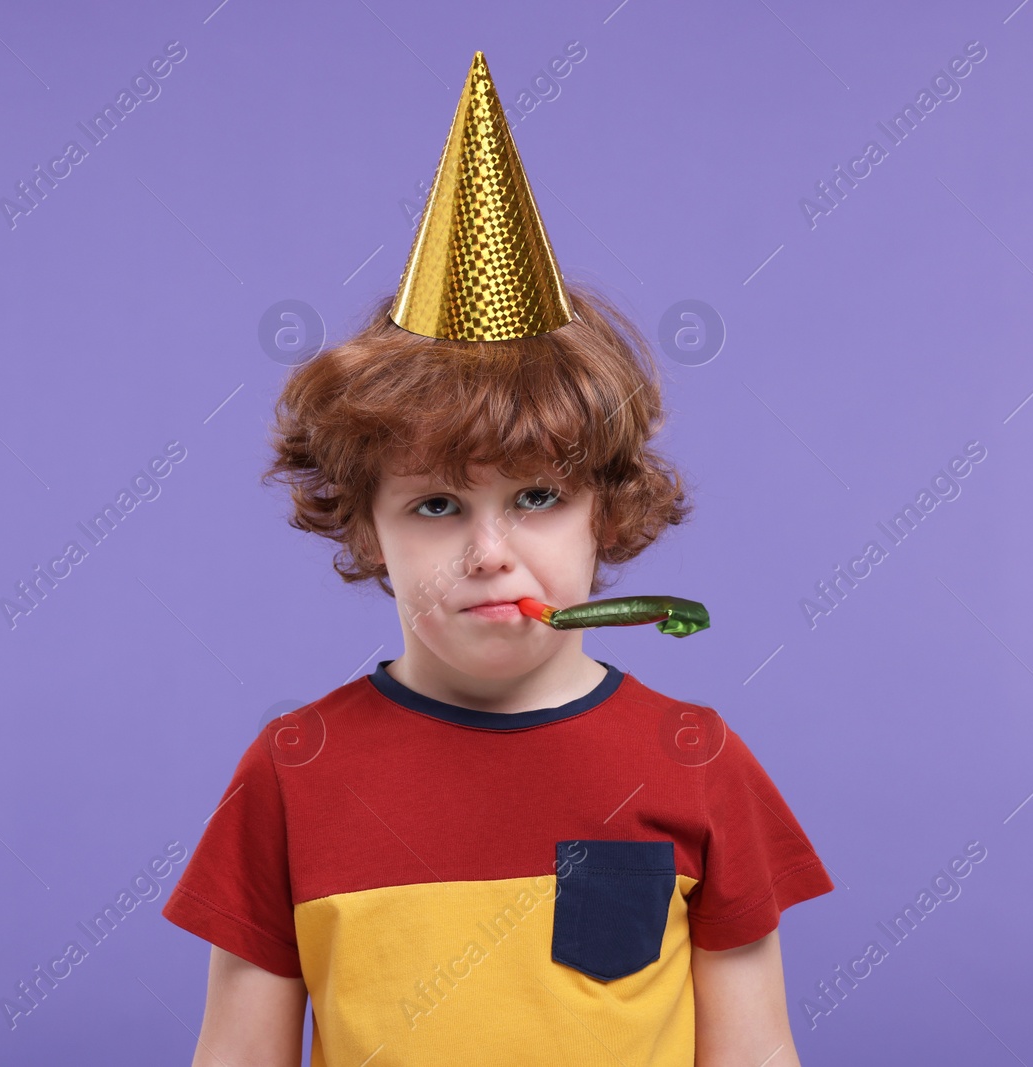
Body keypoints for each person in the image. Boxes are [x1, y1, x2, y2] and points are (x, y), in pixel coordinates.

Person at [161, 50, 834, 1067]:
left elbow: (754, 1052)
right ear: (364, 528)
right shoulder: (290, 773)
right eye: (436, 504)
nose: (488, 551)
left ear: (603, 510)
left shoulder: (697, 759)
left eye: (535, 498)